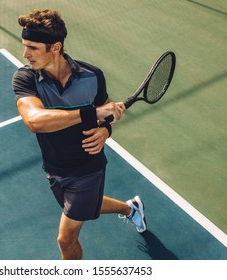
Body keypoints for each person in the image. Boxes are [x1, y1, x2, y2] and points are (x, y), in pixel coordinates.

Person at [12, 9, 147, 260]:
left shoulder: (92, 76)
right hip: (54, 167)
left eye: (32, 47)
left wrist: (106, 130)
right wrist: (90, 113)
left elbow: (106, 114)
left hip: (88, 168)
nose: (25, 54)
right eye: (24, 46)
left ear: (56, 47)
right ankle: (131, 208)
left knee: (66, 239)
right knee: (88, 206)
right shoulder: (25, 78)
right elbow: (34, 120)